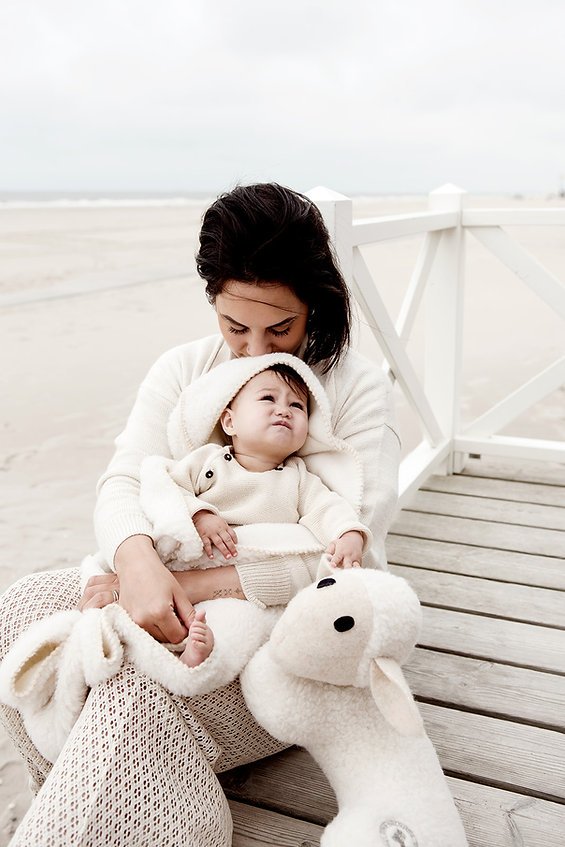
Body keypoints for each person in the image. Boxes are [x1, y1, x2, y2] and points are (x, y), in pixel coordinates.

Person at [0, 182, 400, 846]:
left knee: (132, 686)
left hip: (290, 639)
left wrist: (183, 585)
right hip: (174, 589)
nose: (251, 351)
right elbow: (126, 478)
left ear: (315, 304)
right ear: (211, 300)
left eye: (280, 328)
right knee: (18, 610)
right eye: (233, 326)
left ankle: (137, 810)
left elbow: (344, 564)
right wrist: (134, 559)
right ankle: (76, 800)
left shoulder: (354, 389)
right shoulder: (184, 368)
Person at [137, 359, 372, 667]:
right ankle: (165, 644)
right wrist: (199, 514)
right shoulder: (208, 461)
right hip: (195, 563)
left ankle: (197, 657)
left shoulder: (298, 478)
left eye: (298, 406)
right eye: (267, 398)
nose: (284, 410)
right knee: (157, 613)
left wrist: (349, 535)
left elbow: (328, 509)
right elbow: (164, 490)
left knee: (239, 626)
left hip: (244, 587)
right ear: (229, 422)